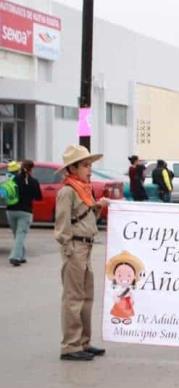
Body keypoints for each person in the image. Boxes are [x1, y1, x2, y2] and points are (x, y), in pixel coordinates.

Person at [54, 145, 109, 361]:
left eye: (90, 165)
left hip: (86, 247)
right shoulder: (67, 191)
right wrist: (68, 250)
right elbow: (62, 225)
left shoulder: (83, 189)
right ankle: (70, 345)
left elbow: (85, 220)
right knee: (73, 298)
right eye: (86, 165)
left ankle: (83, 341)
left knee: (87, 297)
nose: (90, 169)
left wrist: (98, 207)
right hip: (75, 248)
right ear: (73, 168)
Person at [6, 160, 42, 266]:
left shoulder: (13, 179)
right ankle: (15, 257)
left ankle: (21, 256)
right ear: (32, 169)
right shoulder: (34, 181)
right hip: (25, 212)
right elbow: (38, 197)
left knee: (17, 235)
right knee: (20, 235)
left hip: (10, 211)